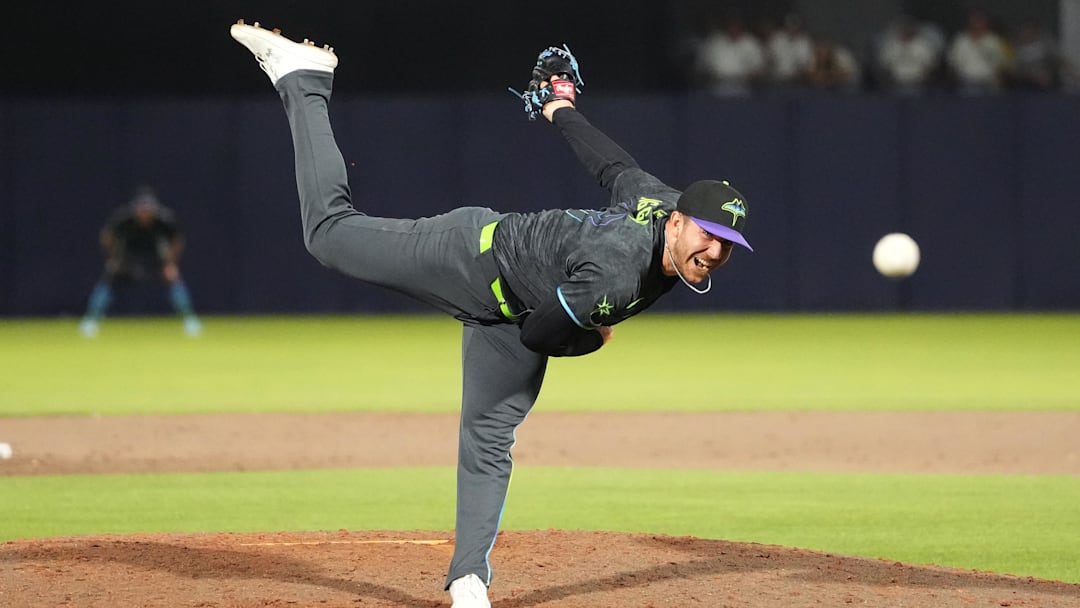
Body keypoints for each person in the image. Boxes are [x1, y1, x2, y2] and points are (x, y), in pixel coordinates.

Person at [230, 19, 753, 608]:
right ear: (680, 221)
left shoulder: (657, 206)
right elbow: (543, 332)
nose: (714, 251)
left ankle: (468, 579)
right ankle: (306, 80)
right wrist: (595, 339)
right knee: (329, 234)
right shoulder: (615, 272)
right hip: (473, 258)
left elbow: (612, 165)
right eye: (707, 235)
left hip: (520, 306)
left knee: (488, 435)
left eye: (726, 245)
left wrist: (559, 108)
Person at [79, 186, 202, 337]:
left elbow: (178, 241)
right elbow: (106, 236)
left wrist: (170, 263)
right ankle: (90, 321)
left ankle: (190, 320)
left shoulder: (163, 220)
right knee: (109, 277)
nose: (145, 213)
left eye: (148, 209)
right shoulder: (124, 219)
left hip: (155, 258)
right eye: (142, 209)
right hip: (128, 258)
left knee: (173, 276)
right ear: (135, 209)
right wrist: (113, 258)